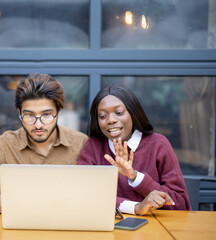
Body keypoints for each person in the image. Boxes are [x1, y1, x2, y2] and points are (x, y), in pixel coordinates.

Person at [0, 73, 88, 213]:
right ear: (19, 113)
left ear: (59, 112)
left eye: (46, 115)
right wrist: (16, 205)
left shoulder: (81, 143)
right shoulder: (3, 145)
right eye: (29, 115)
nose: (38, 125)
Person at [78, 84, 191, 215]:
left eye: (119, 113)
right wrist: (136, 207)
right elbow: (84, 195)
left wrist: (135, 176)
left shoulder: (158, 144)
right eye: (102, 116)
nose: (111, 120)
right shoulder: (93, 146)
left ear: (133, 112)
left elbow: (180, 204)